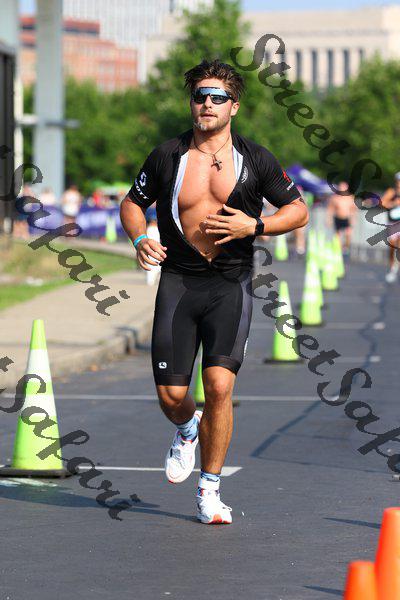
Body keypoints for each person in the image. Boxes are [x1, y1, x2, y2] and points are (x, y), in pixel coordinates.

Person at [120, 59, 308, 525]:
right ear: (192, 104)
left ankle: (209, 490)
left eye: (217, 97)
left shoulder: (256, 158)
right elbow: (131, 203)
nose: (207, 104)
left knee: (220, 387)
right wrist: (140, 237)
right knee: (171, 396)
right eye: (199, 96)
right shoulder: (167, 155)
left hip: (230, 283)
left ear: (233, 107)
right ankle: (187, 429)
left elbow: (298, 210)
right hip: (179, 282)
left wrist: (255, 225)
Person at [326, 181, 356, 254]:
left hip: (346, 218)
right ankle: (339, 251)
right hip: (337, 218)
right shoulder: (335, 198)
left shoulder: (350, 198)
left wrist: (353, 219)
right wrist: (329, 219)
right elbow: (330, 209)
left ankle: (346, 247)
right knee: (338, 236)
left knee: (348, 234)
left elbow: (353, 210)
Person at [381, 172, 400, 283]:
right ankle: (392, 266)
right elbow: (382, 204)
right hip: (393, 223)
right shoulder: (391, 192)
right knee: (392, 246)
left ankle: (396, 268)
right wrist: (394, 204)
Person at [145, 205, 161, 286]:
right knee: (150, 252)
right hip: (151, 230)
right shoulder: (148, 209)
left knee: (157, 252)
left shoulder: (161, 206)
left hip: (157, 230)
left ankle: (156, 270)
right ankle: (151, 277)